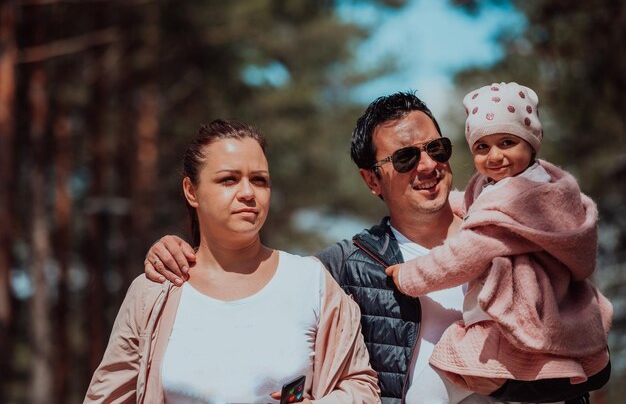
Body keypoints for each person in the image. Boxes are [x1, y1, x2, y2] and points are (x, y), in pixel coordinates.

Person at [144, 91, 603, 403]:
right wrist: (181, 251)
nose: (428, 166)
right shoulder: (341, 268)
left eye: (437, 149)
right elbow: (251, 290)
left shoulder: (516, 232)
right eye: (405, 157)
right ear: (371, 180)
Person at [84, 119, 380, 404]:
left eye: (259, 180)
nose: (248, 193)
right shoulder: (154, 292)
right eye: (229, 179)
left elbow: (361, 388)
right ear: (191, 191)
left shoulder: (311, 281)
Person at [385, 82, 613, 398]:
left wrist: (408, 275)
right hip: (543, 318)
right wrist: (443, 202)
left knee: (425, 394)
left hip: (506, 326)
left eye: (507, 142)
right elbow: (476, 203)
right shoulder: (535, 189)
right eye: (482, 147)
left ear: (532, 144)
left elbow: (461, 257)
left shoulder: (514, 202)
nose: (495, 156)